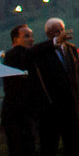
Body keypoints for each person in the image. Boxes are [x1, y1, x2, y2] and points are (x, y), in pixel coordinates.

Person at [27, 18, 79, 156]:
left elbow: (77, 79)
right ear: (49, 34)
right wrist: (54, 42)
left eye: (62, 30)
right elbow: (29, 55)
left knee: (75, 147)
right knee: (49, 147)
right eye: (56, 31)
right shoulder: (41, 53)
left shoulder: (71, 49)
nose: (61, 33)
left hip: (72, 110)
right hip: (51, 111)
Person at [3, 23, 36, 156]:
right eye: (26, 36)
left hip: (24, 114)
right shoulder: (14, 55)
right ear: (15, 40)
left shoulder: (25, 55)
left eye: (31, 36)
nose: (31, 39)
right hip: (17, 115)